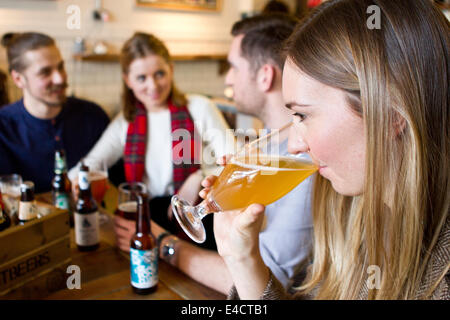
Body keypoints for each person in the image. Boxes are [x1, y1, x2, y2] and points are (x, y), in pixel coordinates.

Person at [202, 0, 449, 300]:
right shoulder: (357, 218)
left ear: (390, 113)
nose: (294, 145)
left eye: (302, 116)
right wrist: (242, 258)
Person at [114, 15, 315, 295]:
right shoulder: (262, 145)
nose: (227, 77)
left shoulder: (302, 160)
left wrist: (163, 244)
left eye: (232, 67)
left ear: (265, 76)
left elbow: (270, 283)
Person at [73, 32, 235, 248]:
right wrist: (77, 181)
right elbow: (90, 164)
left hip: (196, 216)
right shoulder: (125, 122)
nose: (153, 86)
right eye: (141, 78)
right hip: (146, 220)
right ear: (127, 80)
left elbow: (236, 161)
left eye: (159, 73)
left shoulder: (199, 107)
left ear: (171, 69)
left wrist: (199, 177)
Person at [0, 32, 109, 193]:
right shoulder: (3, 126)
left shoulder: (93, 115)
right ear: (18, 79)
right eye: (45, 72)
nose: (59, 78)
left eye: (60, 67)